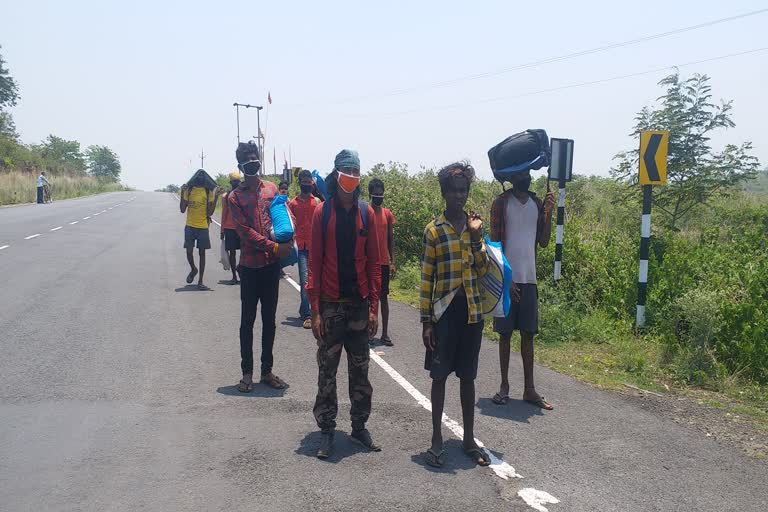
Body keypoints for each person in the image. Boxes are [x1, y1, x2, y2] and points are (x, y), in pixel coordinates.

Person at [307, 149, 381, 459]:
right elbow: (314, 263)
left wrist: (374, 307)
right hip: (331, 306)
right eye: (345, 174)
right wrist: (314, 311)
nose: (350, 179)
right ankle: (326, 430)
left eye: (355, 174)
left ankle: (359, 427)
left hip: (359, 308)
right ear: (336, 177)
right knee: (327, 371)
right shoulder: (321, 213)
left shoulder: (368, 214)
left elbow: (375, 264)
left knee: (360, 371)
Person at [420, 162, 490, 468]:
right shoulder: (434, 231)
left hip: (472, 313)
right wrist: (426, 322)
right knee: (439, 376)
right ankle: (436, 438)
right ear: (444, 192)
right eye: (453, 190)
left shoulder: (475, 227)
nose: (458, 196)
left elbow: (484, 268)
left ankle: (468, 438)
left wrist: (477, 239)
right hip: (444, 314)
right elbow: (426, 280)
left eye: (463, 191)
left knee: (468, 377)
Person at [489, 169, 555, 410]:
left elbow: (544, 241)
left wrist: (548, 213)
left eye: (528, 172)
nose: (525, 176)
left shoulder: (538, 204)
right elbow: (495, 246)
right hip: (508, 279)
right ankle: (504, 386)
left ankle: (529, 389)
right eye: (521, 173)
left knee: (528, 334)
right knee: (505, 335)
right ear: (513, 176)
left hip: (530, 279)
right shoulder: (501, 203)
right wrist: (506, 280)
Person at [229, 141, 292, 392]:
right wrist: (275, 247)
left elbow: (284, 217)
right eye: (248, 160)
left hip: (270, 268)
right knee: (248, 321)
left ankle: (267, 371)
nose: (253, 163)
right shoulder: (234, 197)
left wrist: (289, 240)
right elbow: (245, 234)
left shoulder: (272, 190)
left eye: (255, 158)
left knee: (270, 320)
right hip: (249, 267)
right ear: (241, 165)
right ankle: (247, 373)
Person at [288, 169, 321, 329]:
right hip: (300, 247)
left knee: (316, 281)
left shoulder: (317, 203)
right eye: (305, 183)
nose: (307, 185)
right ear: (300, 183)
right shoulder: (292, 204)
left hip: (316, 247)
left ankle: (305, 308)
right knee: (305, 280)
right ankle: (308, 315)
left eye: (310, 183)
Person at [180, 172, 222, 290]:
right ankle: (194, 269)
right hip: (190, 225)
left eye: (202, 178)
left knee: (202, 253)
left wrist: (216, 197)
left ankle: (200, 281)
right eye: (198, 177)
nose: (200, 179)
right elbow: (182, 209)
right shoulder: (189, 190)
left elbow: (210, 213)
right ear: (194, 179)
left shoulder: (208, 192)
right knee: (189, 252)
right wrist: (183, 192)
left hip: (203, 226)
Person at [368, 178, 396, 346]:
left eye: (381, 194)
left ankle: (384, 334)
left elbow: (390, 239)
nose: (379, 197)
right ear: (370, 194)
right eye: (376, 194)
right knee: (369, 300)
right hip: (368, 264)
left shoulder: (387, 214)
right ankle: (369, 333)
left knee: (383, 298)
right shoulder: (365, 212)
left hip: (384, 264)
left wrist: (392, 261)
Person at [220, 171, 242, 285]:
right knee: (232, 253)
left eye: (237, 181)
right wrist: (222, 230)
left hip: (242, 228)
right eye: (233, 182)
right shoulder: (226, 196)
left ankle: (240, 269)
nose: (235, 183)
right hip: (229, 228)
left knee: (245, 252)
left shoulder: (244, 195)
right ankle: (234, 276)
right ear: (230, 182)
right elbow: (224, 213)